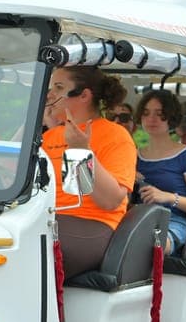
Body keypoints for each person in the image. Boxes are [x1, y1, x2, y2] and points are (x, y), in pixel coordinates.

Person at [42, 66, 136, 279]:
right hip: (48, 218)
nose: (50, 94)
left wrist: (81, 151)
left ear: (84, 95)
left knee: (34, 250)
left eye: (59, 87)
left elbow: (110, 200)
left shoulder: (115, 135)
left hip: (93, 225)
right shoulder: (50, 136)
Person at [133, 90, 186, 255]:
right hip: (136, 218)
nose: (151, 119)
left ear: (172, 118)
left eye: (160, 114)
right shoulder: (134, 154)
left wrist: (167, 197)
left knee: (152, 245)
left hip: (171, 221)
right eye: (146, 113)